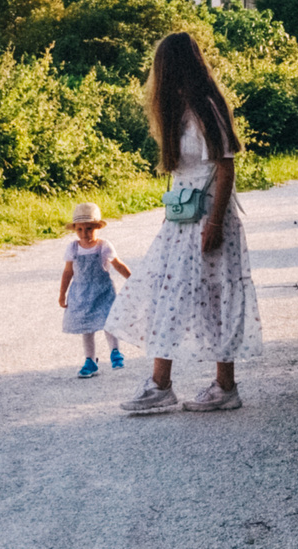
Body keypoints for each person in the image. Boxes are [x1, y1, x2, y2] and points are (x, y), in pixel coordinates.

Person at [112, 31, 262, 414]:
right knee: (168, 293)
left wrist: (214, 223)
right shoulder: (179, 112)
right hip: (182, 218)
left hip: (210, 217)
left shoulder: (207, 107)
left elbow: (225, 167)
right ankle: (163, 383)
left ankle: (221, 386)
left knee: (214, 296)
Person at [58, 201, 132, 378]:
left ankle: (115, 351)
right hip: (81, 294)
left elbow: (117, 264)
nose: (85, 234)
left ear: (97, 227)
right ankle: (90, 361)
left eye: (90, 228)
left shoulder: (103, 246)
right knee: (87, 327)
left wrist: (133, 279)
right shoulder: (73, 248)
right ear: (75, 229)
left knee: (108, 320)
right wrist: (62, 293)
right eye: (80, 230)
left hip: (103, 291)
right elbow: (68, 272)